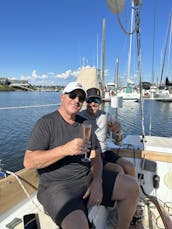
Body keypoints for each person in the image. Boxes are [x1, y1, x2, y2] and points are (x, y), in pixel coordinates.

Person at [23, 82, 139, 229]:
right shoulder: (46, 123)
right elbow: (28, 162)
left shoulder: (84, 124)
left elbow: (95, 155)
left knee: (132, 186)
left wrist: (97, 180)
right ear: (62, 97)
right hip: (58, 188)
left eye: (81, 98)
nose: (77, 100)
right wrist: (65, 149)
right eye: (72, 95)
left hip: (87, 178)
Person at [80, 87, 136, 176]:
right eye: (90, 100)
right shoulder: (79, 117)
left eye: (96, 100)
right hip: (91, 154)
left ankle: (134, 188)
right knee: (118, 170)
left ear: (101, 102)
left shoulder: (106, 116)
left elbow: (119, 143)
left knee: (130, 166)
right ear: (86, 102)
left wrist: (118, 133)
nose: (93, 104)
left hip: (105, 151)